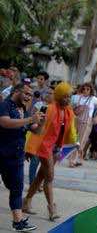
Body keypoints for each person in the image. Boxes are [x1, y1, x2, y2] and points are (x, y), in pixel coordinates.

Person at [23, 82, 77, 222]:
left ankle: (26, 201)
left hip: (55, 148)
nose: (68, 99)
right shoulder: (49, 109)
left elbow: (68, 132)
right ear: (59, 96)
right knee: (50, 177)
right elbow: (36, 131)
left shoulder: (68, 112)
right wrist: (29, 149)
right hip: (44, 147)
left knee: (41, 176)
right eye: (65, 97)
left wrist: (73, 144)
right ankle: (51, 209)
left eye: (69, 97)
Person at [0, 83, 44, 232]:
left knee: (17, 188)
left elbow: (36, 131)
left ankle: (18, 222)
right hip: (2, 153)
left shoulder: (24, 110)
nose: (28, 97)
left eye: (30, 95)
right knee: (14, 187)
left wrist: (41, 121)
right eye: (26, 94)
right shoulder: (5, 105)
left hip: (17, 156)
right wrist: (30, 119)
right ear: (16, 92)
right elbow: (4, 122)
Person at [69, 83, 97, 167]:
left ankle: (73, 160)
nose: (85, 91)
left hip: (86, 122)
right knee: (74, 140)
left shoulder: (93, 99)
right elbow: (70, 108)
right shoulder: (76, 97)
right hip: (75, 120)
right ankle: (78, 159)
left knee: (81, 141)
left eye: (88, 89)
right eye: (84, 89)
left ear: (91, 90)